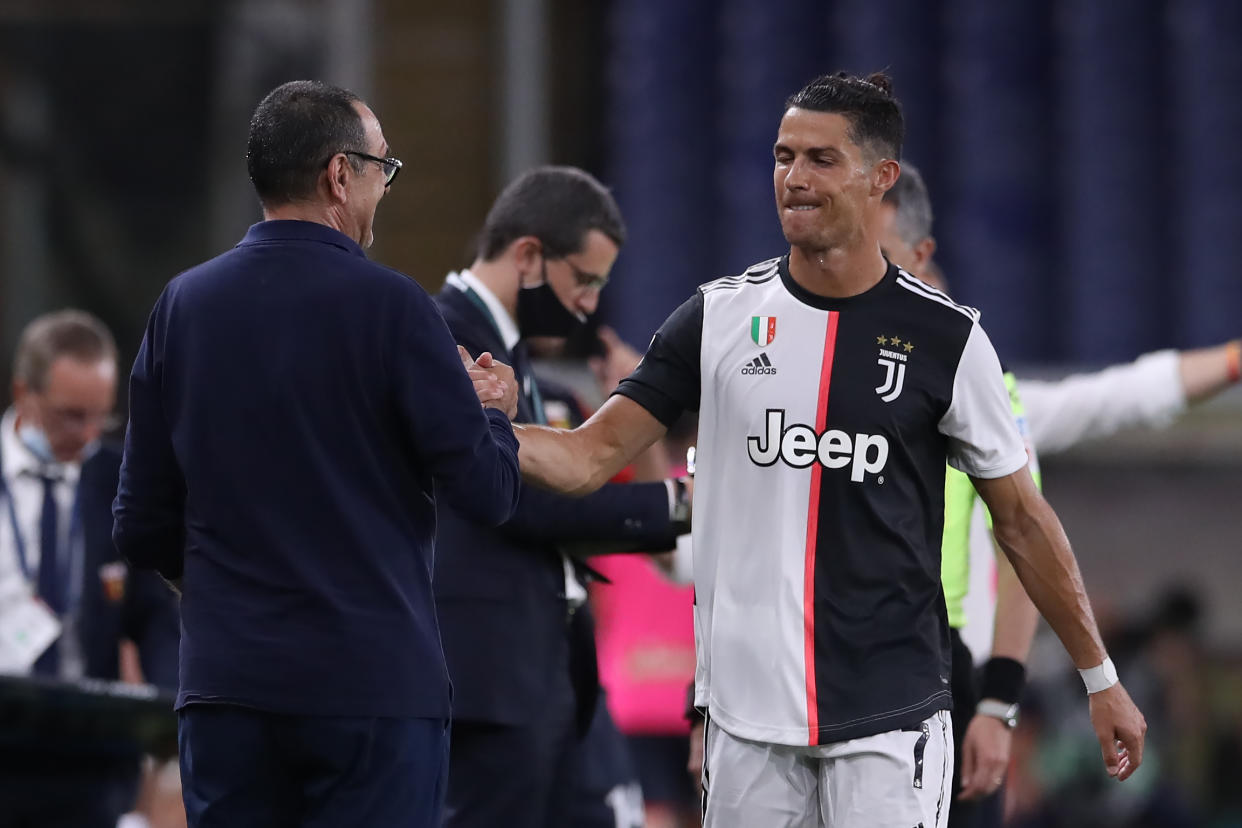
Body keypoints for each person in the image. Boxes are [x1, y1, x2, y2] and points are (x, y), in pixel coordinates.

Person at [512, 71, 1146, 827]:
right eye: (783, 157)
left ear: (880, 179)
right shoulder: (715, 319)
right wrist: (469, 424)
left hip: (892, 718)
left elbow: (1022, 522)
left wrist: (1099, 676)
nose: (794, 178)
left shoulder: (950, 341)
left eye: (820, 159)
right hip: (747, 725)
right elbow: (585, 458)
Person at [112, 80, 522, 828]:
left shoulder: (182, 306)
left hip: (226, 689)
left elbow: (140, 523)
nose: (384, 189)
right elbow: (489, 493)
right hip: (371, 692)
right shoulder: (397, 309)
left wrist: (224, 595)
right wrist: (494, 412)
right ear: (341, 174)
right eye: (383, 169)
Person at [875, 161, 1241, 826]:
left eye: (886, 265)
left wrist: (998, 702)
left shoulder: (991, 407)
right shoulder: (815, 404)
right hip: (847, 691)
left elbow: (1122, 397)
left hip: (959, 696)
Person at [432, 165, 689, 828]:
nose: (590, 305)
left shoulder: (510, 356)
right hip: (488, 681)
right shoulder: (444, 341)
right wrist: (677, 507)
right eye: (585, 281)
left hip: (547, 681)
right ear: (529, 256)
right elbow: (515, 498)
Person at [0, 309, 179, 828]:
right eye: (69, 415)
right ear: (23, 391)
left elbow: (151, 611)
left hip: (90, 756)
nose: (88, 433)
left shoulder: (119, 482)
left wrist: (168, 706)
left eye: (100, 415)